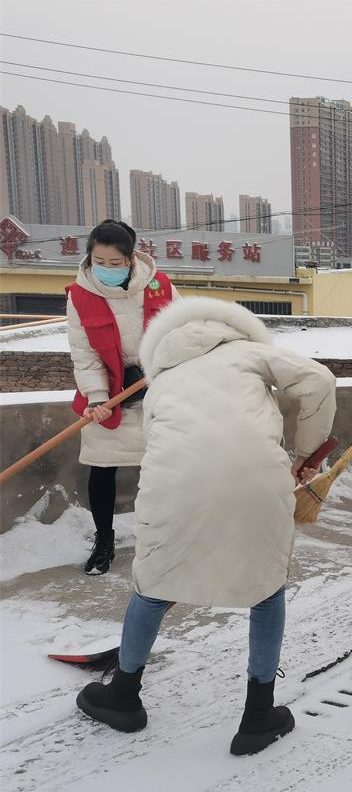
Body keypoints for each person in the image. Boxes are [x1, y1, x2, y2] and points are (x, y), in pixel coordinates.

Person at [76, 297, 336, 756]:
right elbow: (319, 380)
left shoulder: (163, 380)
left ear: (165, 343)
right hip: (259, 481)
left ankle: (124, 696)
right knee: (266, 587)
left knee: (153, 584)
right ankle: (258, 716)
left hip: (173, 484)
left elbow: (158, 441)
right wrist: (306, 455)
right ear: (234, 329)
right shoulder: (250, 353)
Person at [67, 220, 177, 575]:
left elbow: (183, 330)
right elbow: (84, 354)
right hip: (108, 390)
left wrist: (163, 367)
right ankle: (103, 540)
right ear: (90, 257)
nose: (108, 269)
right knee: (102, 467)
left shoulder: (159, 285)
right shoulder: (80, 296)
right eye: (100, 261)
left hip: (156, 387)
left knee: (161, 468)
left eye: (116, 263)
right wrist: (97, 398)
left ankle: (160, 537)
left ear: (131, 259)